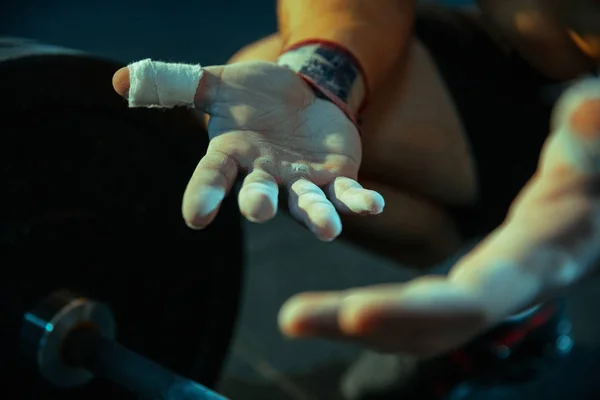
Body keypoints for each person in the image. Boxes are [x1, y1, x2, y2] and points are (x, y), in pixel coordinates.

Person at [111, 0, 600, 398]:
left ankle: (511, 309)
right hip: (533, 61)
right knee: (264, 96)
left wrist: (531, 257)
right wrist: (321, 76)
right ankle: (473, 254)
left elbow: (585, 168)